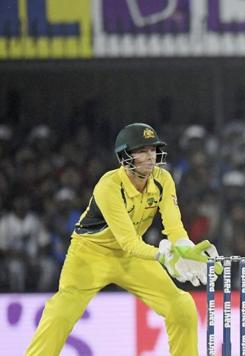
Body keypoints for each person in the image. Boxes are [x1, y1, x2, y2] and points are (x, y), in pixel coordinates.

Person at [26, 123, 222, 356]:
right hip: (90, 255)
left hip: (130, 257)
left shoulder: (163, 179)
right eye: (142, 151)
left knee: (182, 307)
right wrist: (162, 255)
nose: (150, 157)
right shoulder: (109, 186)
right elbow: (127, 240)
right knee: (61, 312)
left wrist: (183, 246)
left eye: (153, 150)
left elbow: (174, 226)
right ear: (125, 156)